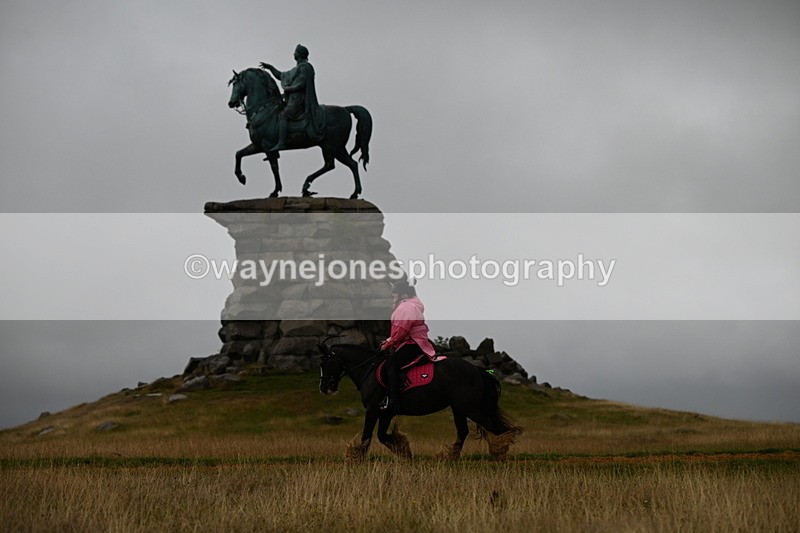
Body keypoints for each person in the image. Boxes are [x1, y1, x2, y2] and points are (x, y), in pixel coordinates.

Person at [378, 279, 436, 413]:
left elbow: (400, 330)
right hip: (415, 341)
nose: (393, 297)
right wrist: (389, 339)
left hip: (412, 343)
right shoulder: (411, 305)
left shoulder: (406, 307)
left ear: (403, 295)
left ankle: (394, 401)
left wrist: (387, 344)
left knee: (391, 365)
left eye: (395, 295)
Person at [259, 44, 325, 152]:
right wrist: (270, 68)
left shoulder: (306, 67)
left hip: (299, 101)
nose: (293, 54)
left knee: (283, 115)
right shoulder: (295, 69)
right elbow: (281, 76)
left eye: (295, 52)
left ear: (299, 54)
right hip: (292, 100)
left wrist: (288, 89)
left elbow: (302, 84)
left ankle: (281, 143)